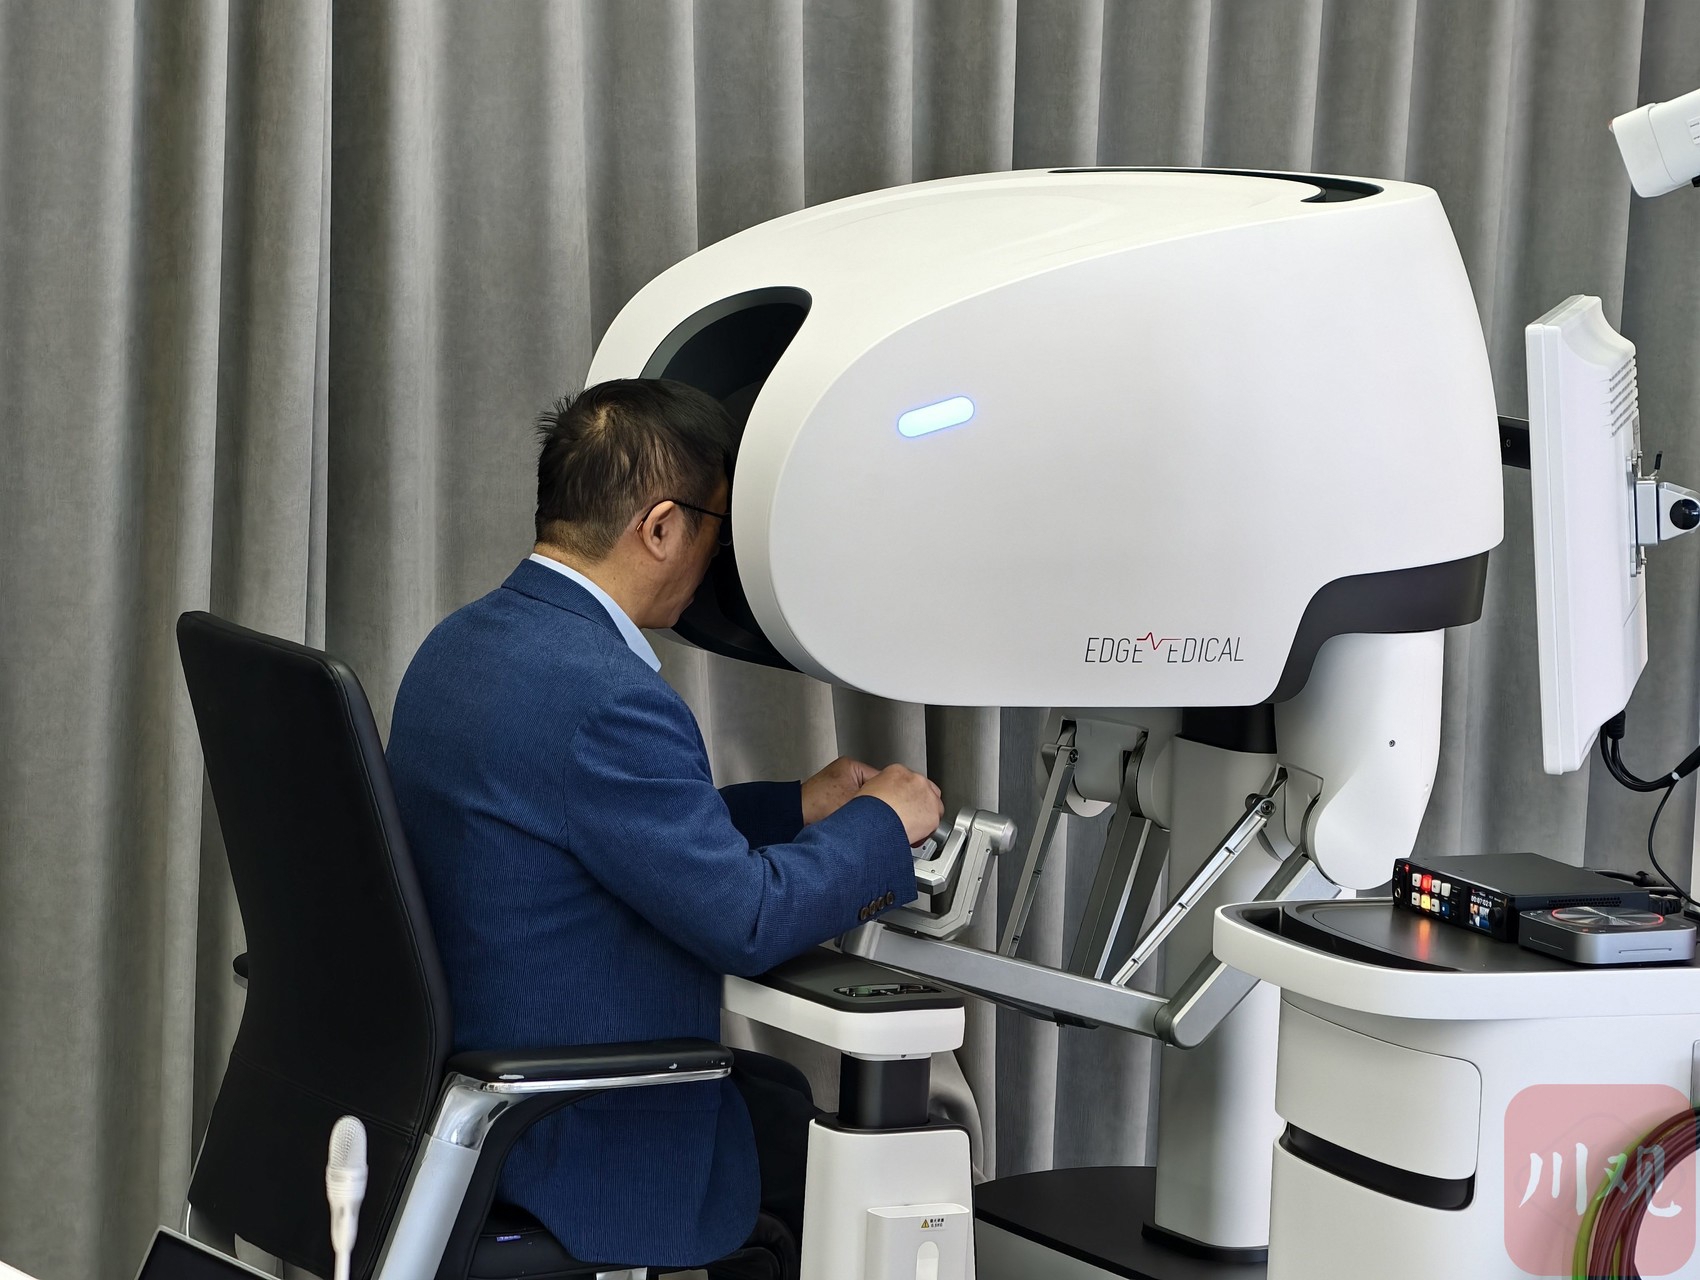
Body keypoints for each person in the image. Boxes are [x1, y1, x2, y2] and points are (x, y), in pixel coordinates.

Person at [386, 378, 944, 1272]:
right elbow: (747, 922)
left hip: (461, 1085)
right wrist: (884, 823)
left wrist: (798, 809)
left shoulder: (461, 646)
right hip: (578, 1133)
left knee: (778, 1097)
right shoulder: (611, 698)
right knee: (847, 1160)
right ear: (660, 528)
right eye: (715, 530)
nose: (715, 561)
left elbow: (592, 829)